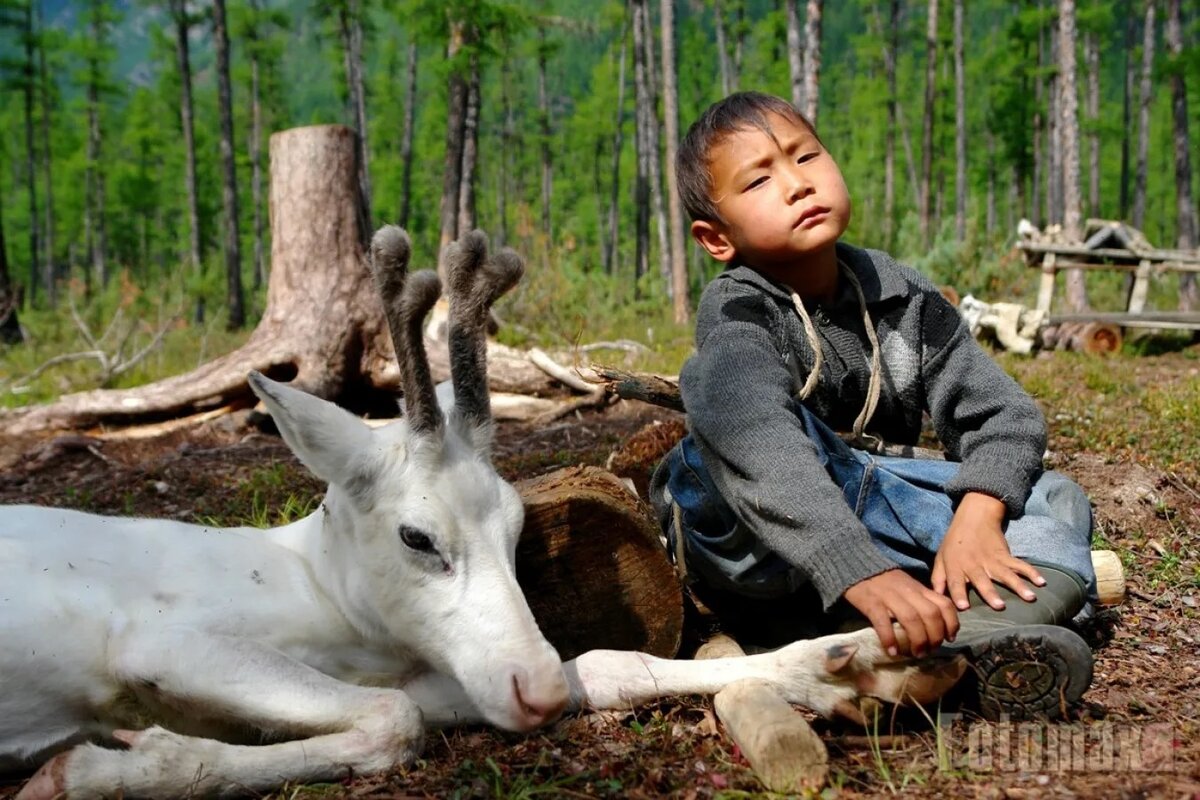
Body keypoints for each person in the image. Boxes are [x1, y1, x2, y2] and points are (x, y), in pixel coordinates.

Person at [649, 91, 1097, 721]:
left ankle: (918, 648)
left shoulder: (901, 295)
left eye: (806, 156)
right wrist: (856, 566)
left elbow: (1003, 415)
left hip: (875, 503)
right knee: (718, 443)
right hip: (762, 543)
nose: (797, 184)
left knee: (1054, 497)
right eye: (760, 179)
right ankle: (945, 622)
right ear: (715, 238)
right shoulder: (740, 313)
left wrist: (975, 516)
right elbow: (757, 443)